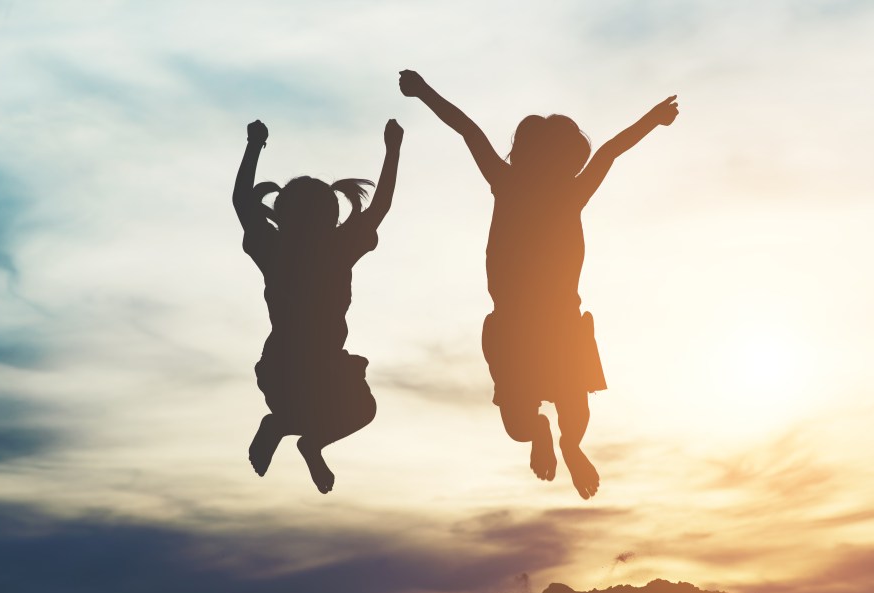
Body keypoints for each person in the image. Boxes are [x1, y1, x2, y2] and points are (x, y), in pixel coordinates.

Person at [400, 70, 678, 499]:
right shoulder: (524, 185)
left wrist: (652, 120)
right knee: (528, 420)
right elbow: (469, 130)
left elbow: (607, 150)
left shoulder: (539, 187)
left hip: (554, 323)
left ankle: (567, 444)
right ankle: (548, 436)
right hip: (522, 324)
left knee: (566, 409)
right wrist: (423, 92)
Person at [232, 118, 403, 494]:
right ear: (331, 218)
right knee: (358, 410)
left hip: (286, 368)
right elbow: (381, 206)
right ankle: (299, 436)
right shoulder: (335, 249)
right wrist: (392, 150)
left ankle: (300, 437)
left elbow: (242, 202)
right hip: (310, 367)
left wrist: (254, 144)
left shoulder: (276, 249)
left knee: (343, 410)